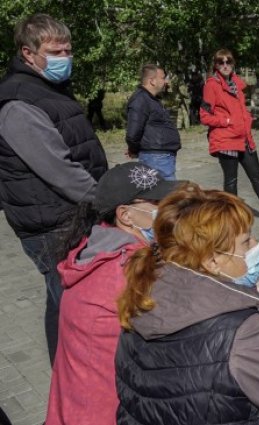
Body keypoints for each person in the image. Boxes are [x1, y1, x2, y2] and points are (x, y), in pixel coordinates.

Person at [114, 184, 259, 425]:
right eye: (247, 242)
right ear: (212, 261)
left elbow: (194, 364)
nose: (256, 245)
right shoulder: (244, 332)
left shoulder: (142, 296)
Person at [0, 14, 108, 364]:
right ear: (28, 54)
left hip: (65, 216)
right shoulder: (18, 102)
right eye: (55, 50)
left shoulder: (46, 88)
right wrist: (107, 197)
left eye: (68, 49)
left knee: (59, 298)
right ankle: (79, 386)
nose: (65, 57)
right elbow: (59, 170)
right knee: (75, 309)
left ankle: (66, 375)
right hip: (53, 225)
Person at [46, 162, 178, 425]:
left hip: (74, 407)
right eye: (157, 203)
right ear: (126, 215)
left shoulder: (94, 248)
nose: (169, 210)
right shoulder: (128, 271)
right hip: (108, 411)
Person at [200, 48, 259, 223]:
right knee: (231, 181)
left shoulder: (236, 84)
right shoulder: (211, 85)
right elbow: (204, 116)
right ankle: (231, 217)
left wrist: (247, 118)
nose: (225, 65)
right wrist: (227, 121)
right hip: (226, 140)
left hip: (244, 139)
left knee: (257, 176)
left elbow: (238, 109)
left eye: (229, 61)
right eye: (221, 62)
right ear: (216, 65)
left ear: (233, 64)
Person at [125, 64, 182, 180]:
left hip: (160, 157)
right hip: (156, 158)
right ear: (152, 81)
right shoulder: (140, 99)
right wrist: (134, 149)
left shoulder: (151, 99)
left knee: (165, 194)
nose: (166, 82)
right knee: (167, 195)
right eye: (162, 78)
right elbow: (133, 133)